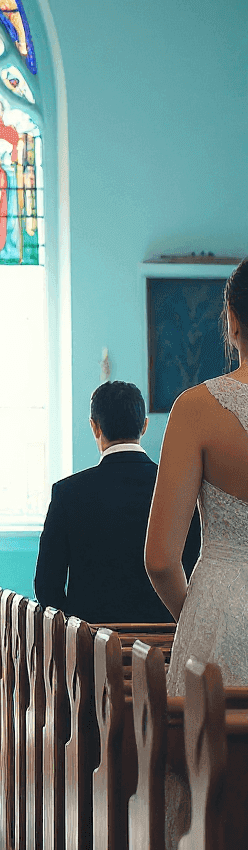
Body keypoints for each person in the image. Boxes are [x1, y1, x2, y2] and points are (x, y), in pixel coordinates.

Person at [146, 257, 248, 693]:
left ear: (232, 321)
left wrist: (199, 611)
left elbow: (161, 560)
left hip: (220, 615)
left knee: (210, 761)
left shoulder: (196, 409)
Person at [34, 380, 200, 622]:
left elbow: (47, 587)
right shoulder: (179, 488)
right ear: (144, 426)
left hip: (89, 645)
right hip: (165, 641)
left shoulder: (67, 493)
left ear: (95, 427)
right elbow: (194, 567)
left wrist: (76, 630)